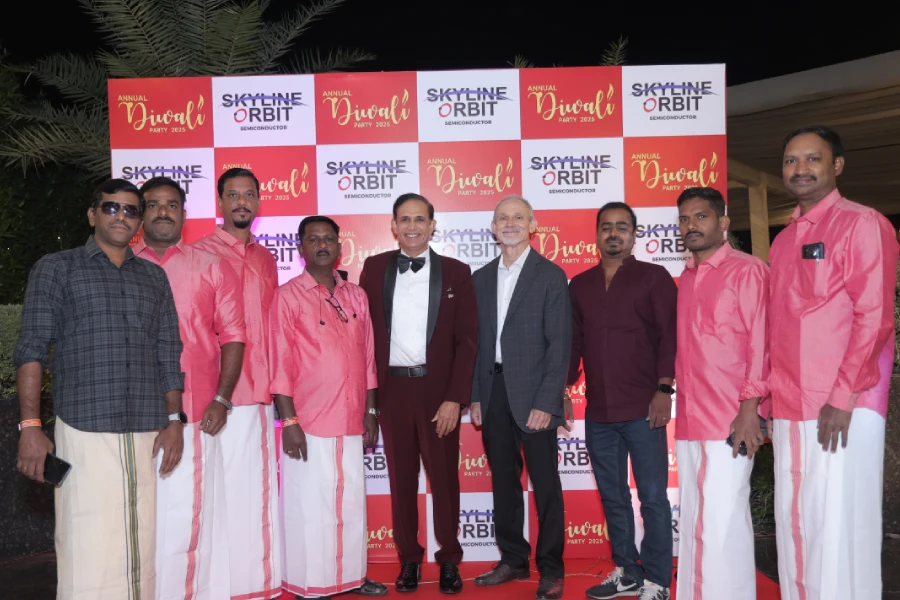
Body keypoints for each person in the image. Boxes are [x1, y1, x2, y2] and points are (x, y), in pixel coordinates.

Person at [14, 179, 185, 600]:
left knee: (140, 538)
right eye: (111, 208)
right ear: (93, 215)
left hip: (145, 427)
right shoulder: (58, 268)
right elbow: (31, 349)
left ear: (140, 222)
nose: (121, 216)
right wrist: (30, 426)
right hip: (84, 425)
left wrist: (174, 420)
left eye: (131, 210)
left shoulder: (154, 277)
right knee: (87, 538)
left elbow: (168, 352)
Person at [769, 125, 898, 600]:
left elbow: (874, 317)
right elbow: (777, 326)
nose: (800, 169)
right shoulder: (783, 241)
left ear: (837, 165)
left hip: (843, 405)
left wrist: (842, 397)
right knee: (797, 527)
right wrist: (769, 403)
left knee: (840, 527)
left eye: (812, 158)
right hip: (790, 405)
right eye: (791, 160)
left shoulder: (863, 223)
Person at [359, 193, 477, 594]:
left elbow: (467, 342)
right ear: (394, 226)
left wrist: (455, 398)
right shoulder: (374, 268)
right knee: (401, 480)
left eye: (419, 219)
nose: (412, 226)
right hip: (392, 390)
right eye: (404, 219)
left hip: (437, 392)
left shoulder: (457, 272)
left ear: (432, 225)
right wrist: (369, 400)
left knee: (444, 480)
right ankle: (408, 558)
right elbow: (363, 336)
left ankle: (449, 560)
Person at [134, 177, 246, 600]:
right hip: (130, 412)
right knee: (141, 515)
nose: (163, 212)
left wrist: (222, 398)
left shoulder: (211, 265)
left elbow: (234, 335)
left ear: (184, 213)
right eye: (153, 204)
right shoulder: (120, 263)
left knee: (190, 514)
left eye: (171, 205)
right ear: (141, 214)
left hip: (196, 410)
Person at [270, 216, 387, 599]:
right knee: (310, 504)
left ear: (339, 246)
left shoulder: (356, 296)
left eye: (328, 239)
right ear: (300, 248)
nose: (322, 245)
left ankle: (352, 577)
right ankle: (312, 583)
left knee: (350, 503)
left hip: (352, 417)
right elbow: (279, 362)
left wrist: (371, 411)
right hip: (309, 420)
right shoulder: (287, 296)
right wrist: (289, 420)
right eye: (313, 239)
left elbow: (368, 358)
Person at [568, 202, 676, 600]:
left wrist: (664, 390)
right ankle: (628, 572)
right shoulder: (580, 284)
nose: (613, 233)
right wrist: (562, 389)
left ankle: (658, 580)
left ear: (634, 234)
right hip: (599, 411)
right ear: (597, 234)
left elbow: (670, 336)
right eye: (606, 227)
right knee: (613, 497)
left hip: (645, 409)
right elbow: (574, 344)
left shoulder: (654, 277)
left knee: (652, 498)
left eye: (621, 227)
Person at [469, 195, 571, 600]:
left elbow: (559, 345)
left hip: (534, 396)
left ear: (532, 225)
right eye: (502, 218)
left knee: (545, 484)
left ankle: (552, 567)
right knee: (503, 482)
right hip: (492, 392)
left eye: (517, 217)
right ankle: (512, 559)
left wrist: (547, 402)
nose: (509, 223)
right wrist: (476, 395)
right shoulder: (480, 278)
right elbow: (475, 344)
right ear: (493, 228)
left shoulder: (550, 275)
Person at [672, 187, 769, 599]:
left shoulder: (748, 271)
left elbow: (762, 344)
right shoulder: (686, 278)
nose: (691, 225)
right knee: (696, 522)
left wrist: (750, 410)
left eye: (701, 216)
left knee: (723, 522)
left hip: (732, 418)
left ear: (723, 222)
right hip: (691, 419)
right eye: (684, 219)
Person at [193, 168, 281, 599]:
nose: (242, 202)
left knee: (255, 493)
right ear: (220, 202)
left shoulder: (266, 258)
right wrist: (218, 394)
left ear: (259, 202)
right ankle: (216, 586)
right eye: (233, 195)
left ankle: (252, 584)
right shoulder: (199, 254)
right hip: (220, 395)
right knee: (217, 493)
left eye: (249, 194)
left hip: (263, 392)